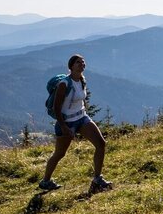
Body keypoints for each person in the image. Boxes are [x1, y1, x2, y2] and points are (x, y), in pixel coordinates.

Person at [39, 54, 113, 193]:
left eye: (83, 62)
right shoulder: (64, 84)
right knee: (59, 154)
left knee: (101, 144)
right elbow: (56, 107)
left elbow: (81, 100)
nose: (81, 64)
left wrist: (86, 115)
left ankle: (97, 179)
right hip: (67, 122)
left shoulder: (82, 80)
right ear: (71, 66)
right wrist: (64, 127)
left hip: (82, 118)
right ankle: (46, 181)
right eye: (78, 62)